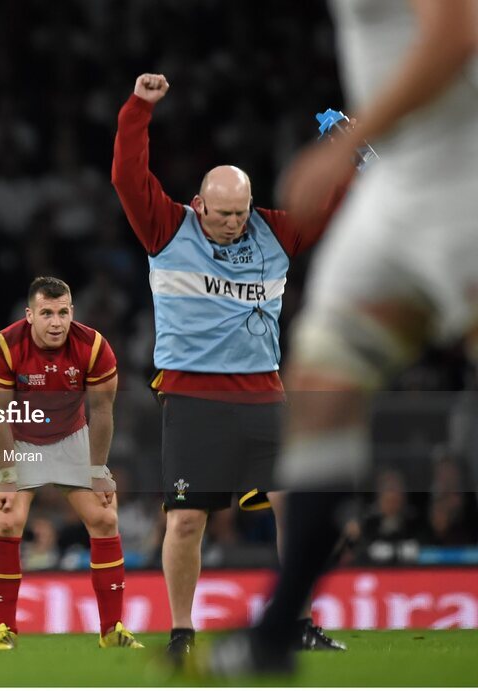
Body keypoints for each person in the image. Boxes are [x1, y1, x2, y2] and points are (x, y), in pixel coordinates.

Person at [212, 0, 478, 675]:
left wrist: (337, 149)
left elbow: (457, 33)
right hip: (397, 194)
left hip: (464, 180)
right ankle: (277, 633)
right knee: (321, 391)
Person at [110, 72, 345, 663]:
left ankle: (295, 621)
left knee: (295, 507)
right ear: (198, 203)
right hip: (194, 401)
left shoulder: (276, 231)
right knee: (187, 522)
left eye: (239, 213)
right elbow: (125, 176)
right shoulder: (166, 227)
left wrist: (353, 153)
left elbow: (333, 203)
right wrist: (139, 109)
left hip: (265, 395)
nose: (231, 224)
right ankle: (182, 633)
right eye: (220, 214)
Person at [0, 276, 142, 651]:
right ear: (30, 315)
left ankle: (112, 630)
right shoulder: (3, 347)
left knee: (105, 519)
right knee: (7, 521)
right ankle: (5, 630)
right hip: (19, 440)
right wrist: (4, 474)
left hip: (72, 437)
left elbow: (101, 411)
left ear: (73, 312)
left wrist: (98, 470)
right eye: (47, 313)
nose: (56, 322)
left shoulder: (94, 346)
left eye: (63, 312)